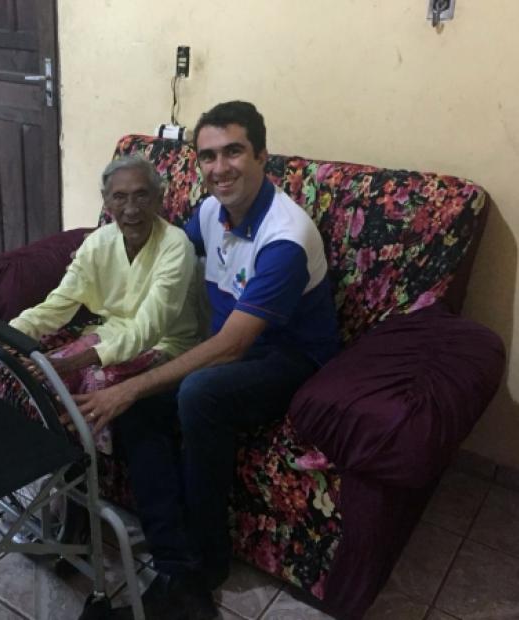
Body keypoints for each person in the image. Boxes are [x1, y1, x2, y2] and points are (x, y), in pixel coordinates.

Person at [74, 102, 340, 620]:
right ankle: (176, 566)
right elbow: (166, 258)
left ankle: (207, 562)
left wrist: (130, 385)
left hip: (288, 359)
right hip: (229, 347)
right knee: (140, 404)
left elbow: (234, 346)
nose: (220, 168)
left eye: (234, 152)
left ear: (262, 156)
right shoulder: (209, 213)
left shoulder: (285, 238)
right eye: (208, 156)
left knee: (196, 393)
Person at [6, 155, 203, 452]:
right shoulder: (98, 242)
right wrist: (10, 332)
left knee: (93, 379)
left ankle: (91, 461)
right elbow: (60, 302)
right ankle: (53, 457)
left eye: (141, 195)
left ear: (158, 198)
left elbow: (148, 330)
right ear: (106, 202)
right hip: (111, 335)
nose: (131, 209)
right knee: (41, 380)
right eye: (120, 197)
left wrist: (73, 362)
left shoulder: (175, 245)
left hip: (167, 345)